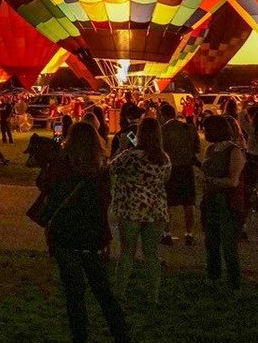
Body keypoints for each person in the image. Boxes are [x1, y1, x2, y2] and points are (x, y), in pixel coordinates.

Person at [37, 123, 129, 343]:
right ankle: (121, 334)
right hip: (93, 236)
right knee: (104, 292)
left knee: (74, 295)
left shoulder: (61, 166)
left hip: (66, 235)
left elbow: (43, 185)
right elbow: (104, 202)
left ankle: (80, 336)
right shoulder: (101, 171)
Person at [111, 117, 172, 303]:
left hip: (132, 208)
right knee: (152, 254)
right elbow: (166, 179)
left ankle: (119, 293)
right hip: (156, 209)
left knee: (127, 252)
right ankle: (153, 295)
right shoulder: (164, 158)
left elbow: (111, 168)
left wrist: (122, 147)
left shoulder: (130, 156)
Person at [200, 114, 245, 288]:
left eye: (206, 129)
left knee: (228, 244)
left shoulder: (234, 151)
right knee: (211, 241)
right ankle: (213, 276)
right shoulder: (211, 149)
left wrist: (210, 181)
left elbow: (233, 181)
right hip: (211, 200)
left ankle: (234, 282)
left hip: (228, 203)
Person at [159, 102, 199, 245]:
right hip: (186, 169)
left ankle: (167, 233)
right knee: (188, 203)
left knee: (167, 203)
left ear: (163, 115)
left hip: (170, 169)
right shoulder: (189, 128)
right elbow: (196, 149)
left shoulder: (162, 130)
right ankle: (189, 233)